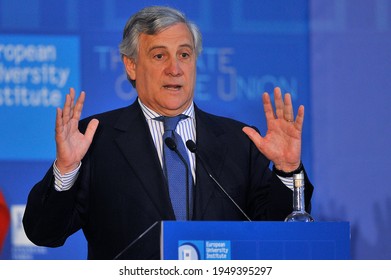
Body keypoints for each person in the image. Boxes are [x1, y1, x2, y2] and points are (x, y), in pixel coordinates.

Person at [23, 6, 313, 260]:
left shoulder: (239, 140)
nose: (175, 69)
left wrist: (287, 171)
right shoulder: (96, 138)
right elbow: (43, 233)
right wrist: (66, 170)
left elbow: (282, 239)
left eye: (184, 55)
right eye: (160, 55)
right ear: (132, 65)